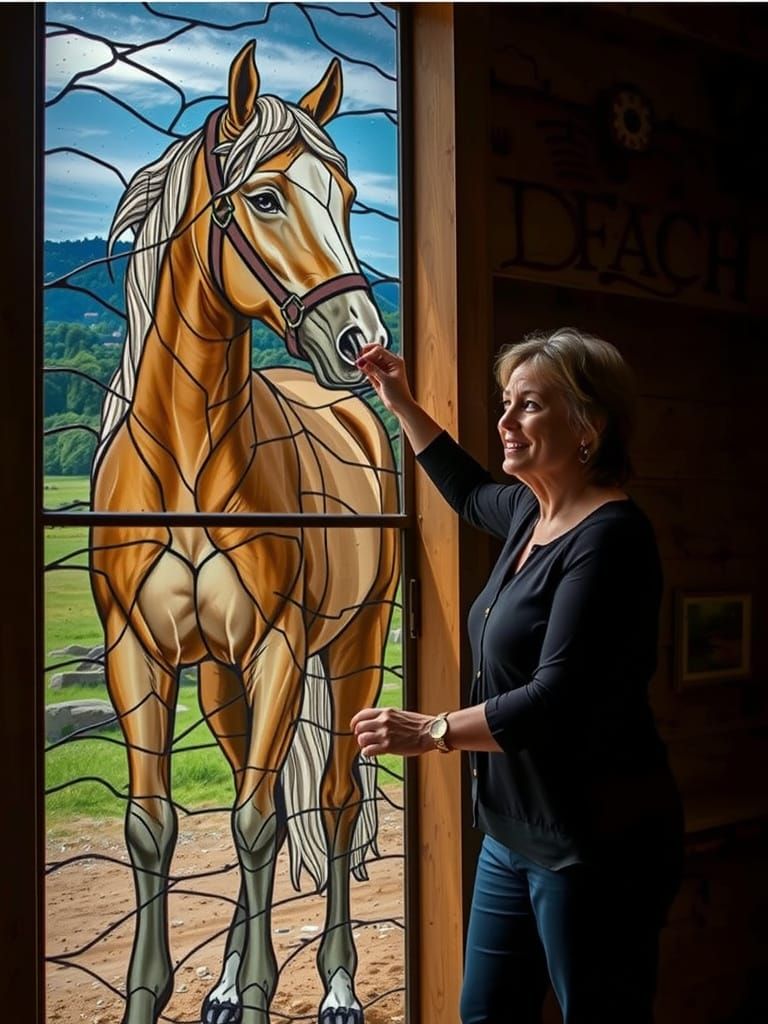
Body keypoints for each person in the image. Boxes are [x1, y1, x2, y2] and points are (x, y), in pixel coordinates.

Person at [351, 327, 684, 1024]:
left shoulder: (611, 540)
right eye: (506, 402)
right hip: (511, 836)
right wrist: (399, 400)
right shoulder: (532, 514)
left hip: (593, 846)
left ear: (588, 426)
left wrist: (431, 730)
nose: (504, 422)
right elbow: (469, 489)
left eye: (528, 406)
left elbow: (553, 702)